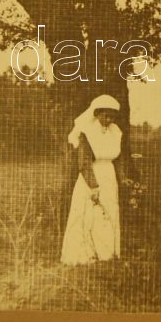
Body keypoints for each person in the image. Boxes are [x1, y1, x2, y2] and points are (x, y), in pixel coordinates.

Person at [60, 95, 125, 265]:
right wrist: (94, 186)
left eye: (112, 116)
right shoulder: (87, 131)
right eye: (105, 115)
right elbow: (84, 162)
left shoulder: (115, 131)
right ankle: (85, 254)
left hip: (109, 177)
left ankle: (107, 253)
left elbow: (117, 158)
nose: (109, 120)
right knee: (88, 213)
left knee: (107, 212)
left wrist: (123, 178)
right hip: (91, 177)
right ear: (97, 113)